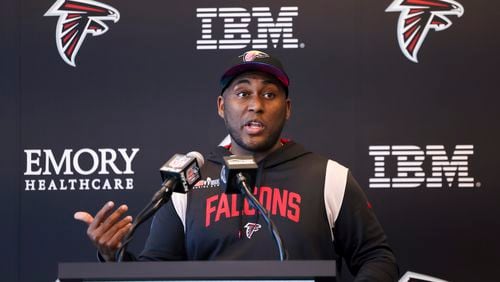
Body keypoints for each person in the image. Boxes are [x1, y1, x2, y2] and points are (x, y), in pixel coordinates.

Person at [74, 50, 399, 281]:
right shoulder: (187, 181)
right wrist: (112, 255)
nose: (256, 105)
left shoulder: (328, 177)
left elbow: (377, 258)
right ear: (221, 106)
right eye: (242, 93)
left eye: (269, 95)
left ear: (287, 109)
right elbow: (155, 272)